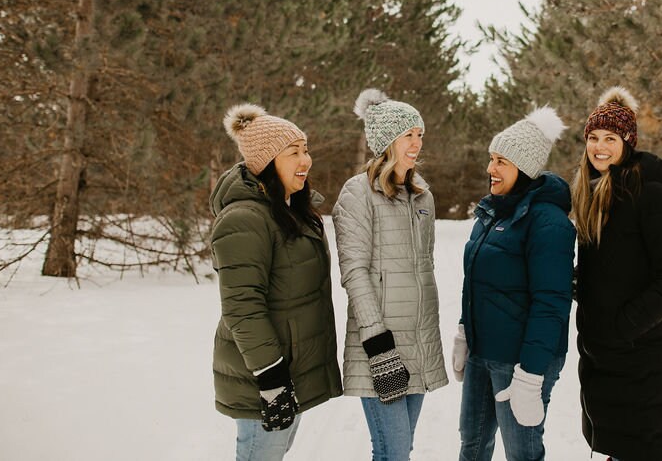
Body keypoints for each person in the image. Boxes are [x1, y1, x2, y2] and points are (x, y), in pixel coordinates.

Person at [209, 103, 343, 461]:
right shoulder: (244, 219)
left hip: (287, 373)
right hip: (264, 378)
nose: (305, 160)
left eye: (305, 150)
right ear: (267, 162)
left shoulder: (289, 211)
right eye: (293, 152)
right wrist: (270, 377)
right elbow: (242, 307)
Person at [572, 87, 662, 461]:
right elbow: (616, 267)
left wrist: (625, 326)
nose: (599, 147)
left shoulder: (649, 193)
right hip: (604, 362)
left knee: (641, 449)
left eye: (610, 139)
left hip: (640, 360)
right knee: (620, 449)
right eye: (593, 138)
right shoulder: (593, 193)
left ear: (627, 142)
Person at [332, 89, 448, 461]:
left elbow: (423, 268)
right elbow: (354, 271)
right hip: (381, 345)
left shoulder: (422, 196)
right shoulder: (358, 193)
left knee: (397, 451)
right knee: (393, 452)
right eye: (407, 135)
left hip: (418, 343)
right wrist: (378, 343)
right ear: (386, 142)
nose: (416, 143)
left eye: (419, 135)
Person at [454, 106, 576, 461]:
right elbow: (476, 281)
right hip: (483, 353)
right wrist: (464, 331)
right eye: (491, 159)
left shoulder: (549, 223)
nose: (490, 169)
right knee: (472, 446)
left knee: (522, 454)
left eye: (500, 162)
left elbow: (551, 303)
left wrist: (531, 374)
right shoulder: (492, 212)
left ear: (523, 168)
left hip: (521, 363)